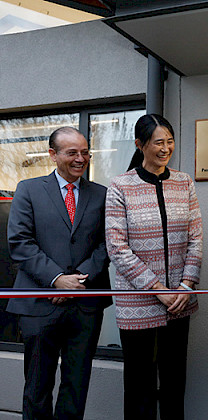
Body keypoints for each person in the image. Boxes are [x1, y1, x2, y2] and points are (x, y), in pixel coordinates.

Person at [7, 126, 111, 420]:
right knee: (37, 387)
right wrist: (56, 280)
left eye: (85, 152)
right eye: (72, 153)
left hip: (84, 304)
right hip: (39, 304)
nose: (81, 159)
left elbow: (108, 243)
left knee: (76, 386)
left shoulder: (101, 194)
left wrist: (78, 278)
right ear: (53, 155)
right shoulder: (28, 189)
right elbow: (20, 243)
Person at [105, 114, 202, 420]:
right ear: (140, 145)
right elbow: (117, 247)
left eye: (169, 141)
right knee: (139, 385)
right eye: (158, 142)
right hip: (137, 303)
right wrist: (158, 290)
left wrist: (185, 286)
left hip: (179, 301)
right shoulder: (120, 186)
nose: (165, 148)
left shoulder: (184, 182)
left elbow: (196, 239)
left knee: (175, 382)